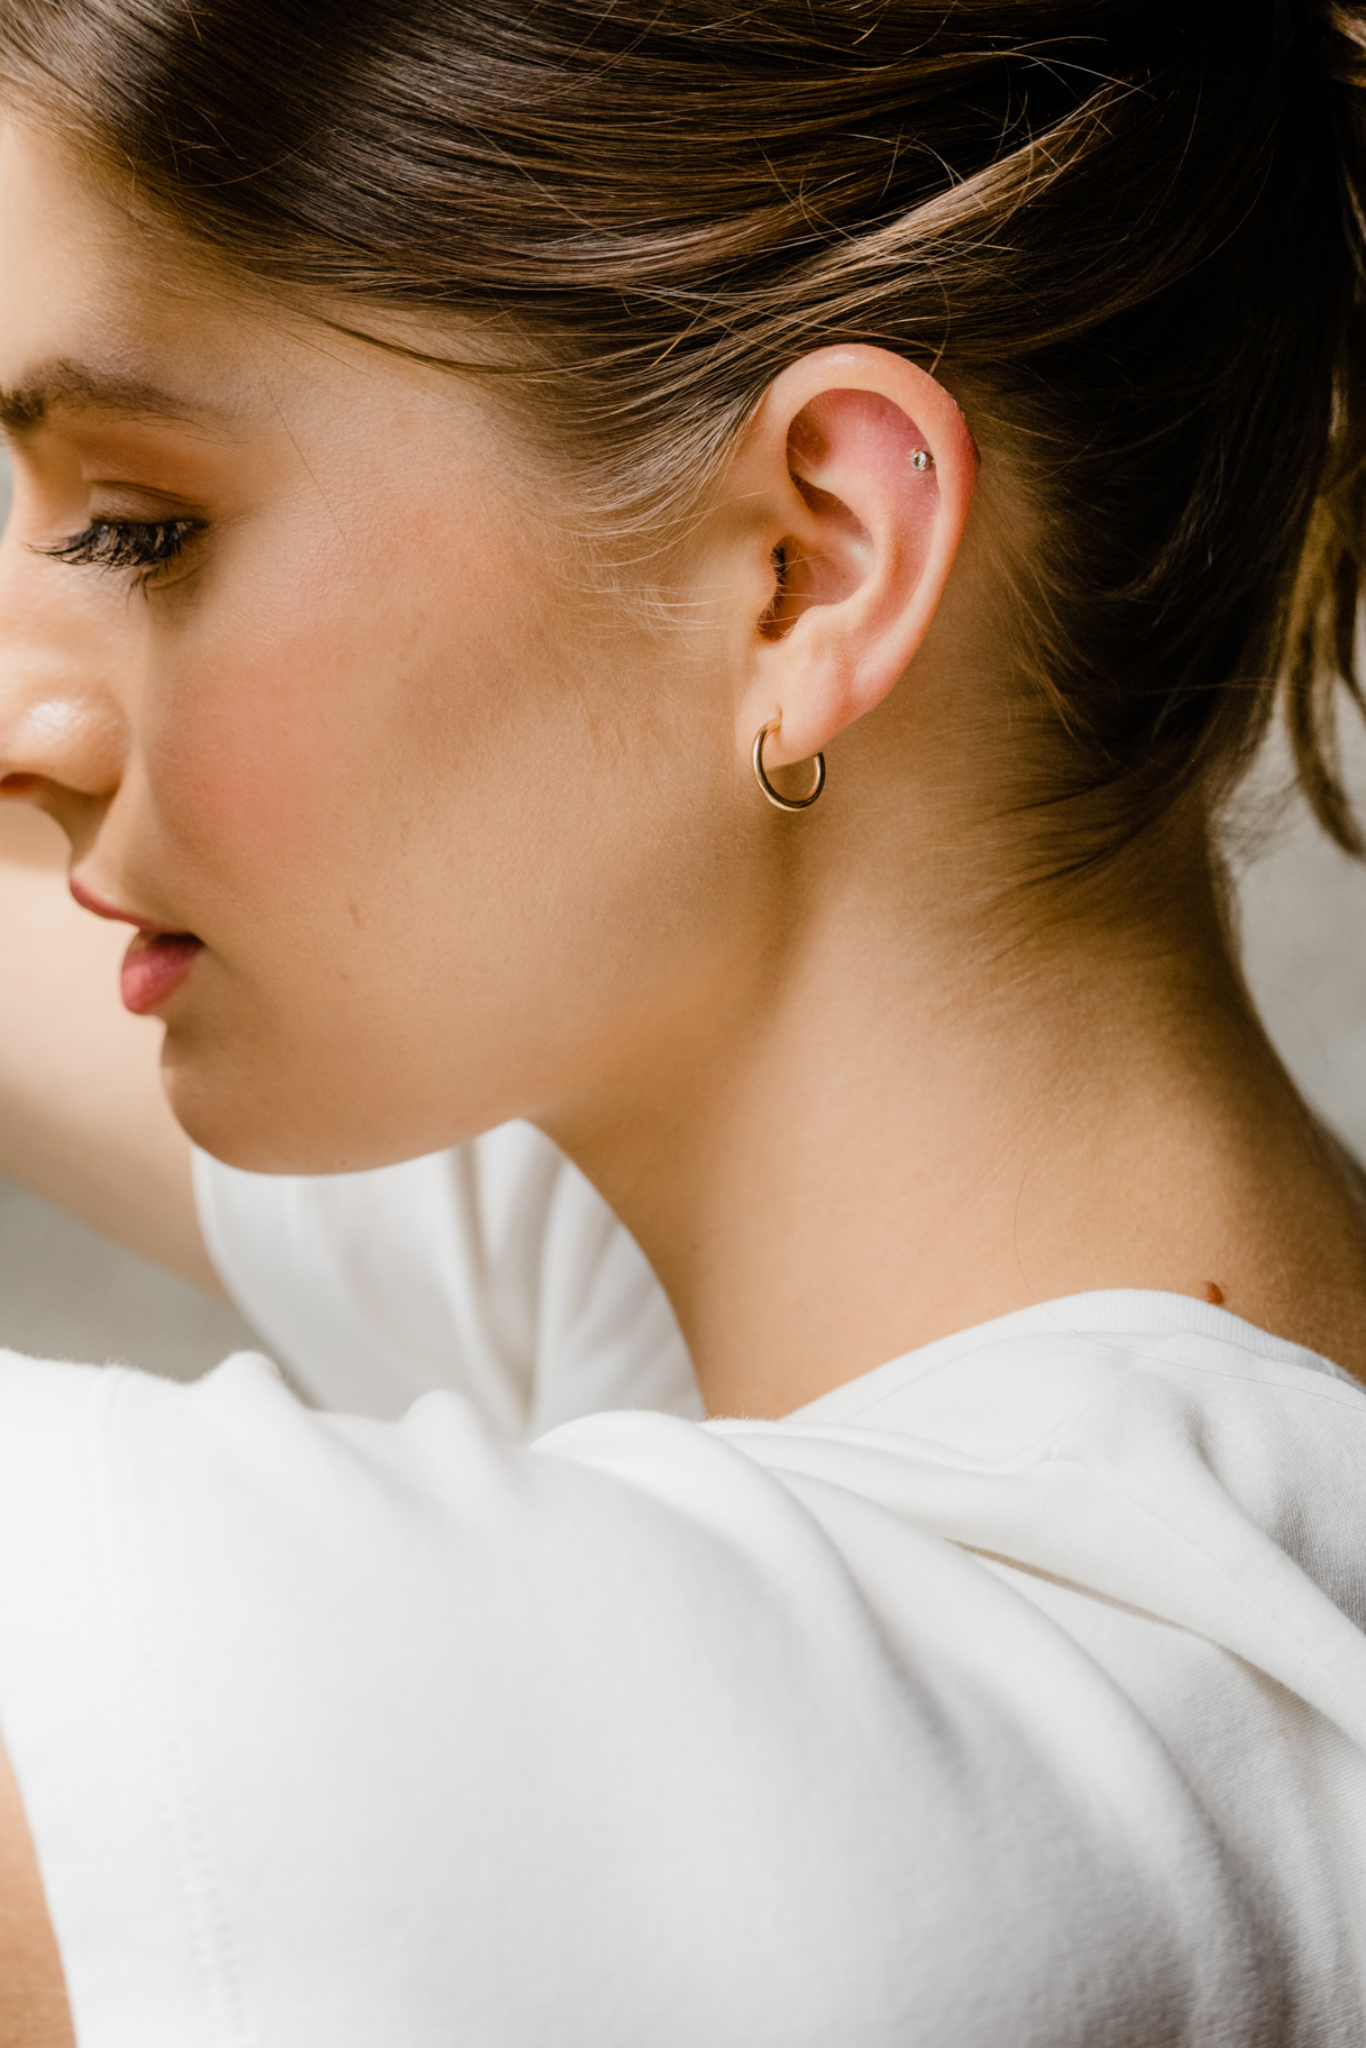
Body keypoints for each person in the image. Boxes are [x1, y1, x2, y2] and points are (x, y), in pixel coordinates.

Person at [0, 0, 1363, 2040]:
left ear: (810, 563)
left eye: (145, 530)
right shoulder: (1141, 1509)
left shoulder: (844, 1784)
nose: (29, 729)